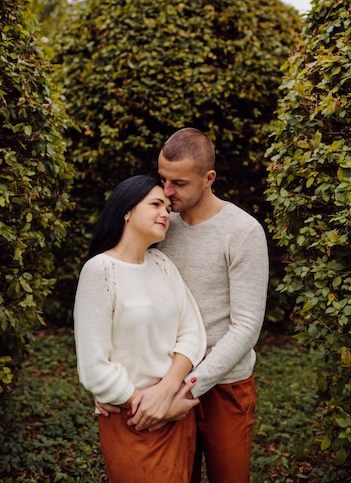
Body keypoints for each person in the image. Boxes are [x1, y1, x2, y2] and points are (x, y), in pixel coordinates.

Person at [147, 127, 270, 483]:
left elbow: (246, 327)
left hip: (225, 386)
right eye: (162, 180)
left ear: (209, 178)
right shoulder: (160, 225)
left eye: (179, 183)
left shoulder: (243, 231)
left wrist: (186, 388)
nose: (167, 193)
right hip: (164, 377)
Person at [73, 175, 207, 483]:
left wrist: (167, 394)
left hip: (176, 414)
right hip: (132, 421)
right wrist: (145, 405)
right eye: (156, 204)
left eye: (168, 207)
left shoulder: (161, 263)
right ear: (127, 211)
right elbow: (94, 366)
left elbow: (192, 332)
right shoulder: (99, 271)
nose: (166, 213)